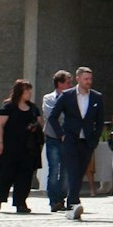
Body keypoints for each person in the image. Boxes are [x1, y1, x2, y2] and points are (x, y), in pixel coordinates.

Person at [45, 66, 105, 220]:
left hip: (87, 141)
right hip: (70, 140)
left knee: (79, 173)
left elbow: (99, 122)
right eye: (86, 79)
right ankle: (73, 203)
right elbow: (52, 117)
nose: (88, 82)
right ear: (78, 79)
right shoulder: (67, 95)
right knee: (72, 171)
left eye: (90, 79)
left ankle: (72, 202)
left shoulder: (97, 97)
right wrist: (61, 135)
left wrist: (95, 137)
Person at [0, 78, 42, 213]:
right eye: (27, 91)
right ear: (19, 91)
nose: (30, 93)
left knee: (25, 177)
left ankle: (20, 203)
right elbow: (0, 125)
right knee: (6, 175)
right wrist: (0, 142)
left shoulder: (33, 108)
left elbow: (40, 122)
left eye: (30, 91)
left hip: (28, 148)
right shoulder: (8, 107)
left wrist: (35, 126)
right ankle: (0, 197)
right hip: (10, 147)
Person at [39, 70, 71, 212]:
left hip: (67, 139)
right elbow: (52, 115)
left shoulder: (72, 98)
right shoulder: (48, 98)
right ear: (60, 84)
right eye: (68, 82)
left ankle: (61, 198)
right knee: (53, 169)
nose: (71, 85)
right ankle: (53, 200)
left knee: (65, 170)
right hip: (53, 138)